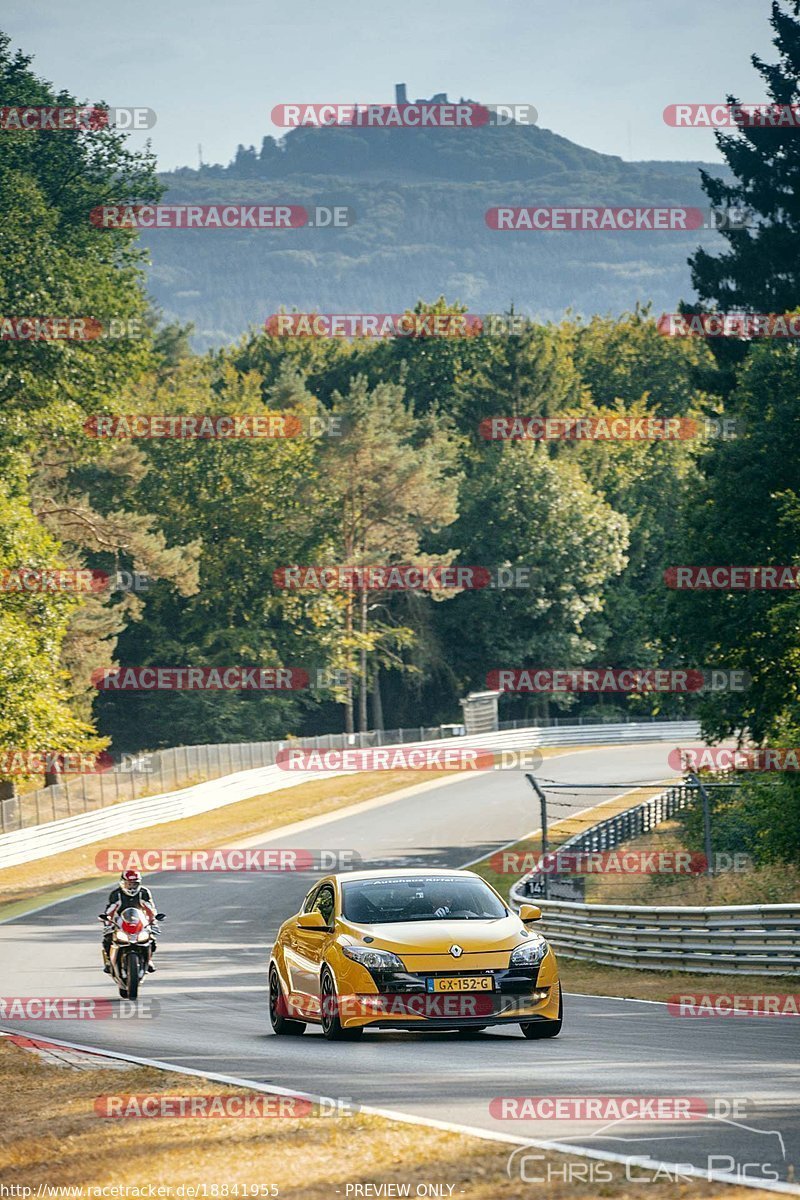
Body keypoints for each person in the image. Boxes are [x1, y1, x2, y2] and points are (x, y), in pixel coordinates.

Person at [101, 869, 160, 974]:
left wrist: (153, 922)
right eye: (129, 884)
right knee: (108, 938)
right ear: (123, 883)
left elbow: (150, 909)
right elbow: (110, 910)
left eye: (134, 884)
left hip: (140, 920)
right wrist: (107, 923)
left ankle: (149, 960)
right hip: (121, 921)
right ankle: (109, 962)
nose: (132, 887)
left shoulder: (144, 893)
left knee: (151, 939)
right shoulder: (116, 894)